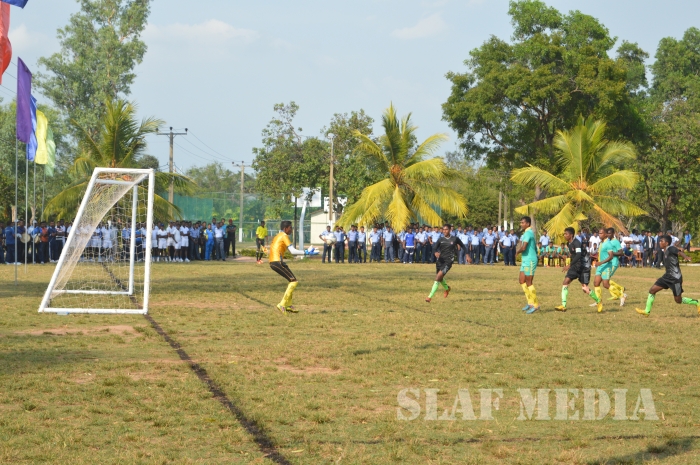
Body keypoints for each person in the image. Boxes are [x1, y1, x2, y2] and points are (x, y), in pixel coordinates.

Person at [636, 235, 699, 316]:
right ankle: (647, 311)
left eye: (661, 241)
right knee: (652, 290)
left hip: (675, 278)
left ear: (666, 243)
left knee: (678, 300)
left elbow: (679, 252)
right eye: (659, 241)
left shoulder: (670, 248)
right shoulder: (665, 251)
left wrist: (686, 257)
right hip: (667, 277)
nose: (659, 242)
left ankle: (697, 302)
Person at [555, 227, 601, 312]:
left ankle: (599, 301)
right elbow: (574, 254)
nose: (565, 235)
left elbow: (579, 254)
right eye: (564, 234)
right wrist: (568, 257)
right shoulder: (568, 243)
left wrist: (569, 265)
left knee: (585, 288)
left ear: (571, 235)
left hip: (584, 266)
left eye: (566, 234)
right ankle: (563, 306)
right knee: (565, 282)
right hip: (575, 266)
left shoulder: (576, 242)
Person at [269, 220, 306, 314]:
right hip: (277, 262)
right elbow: (293, 251)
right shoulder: (284, 236)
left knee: (292, 280)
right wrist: (306, 252)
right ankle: (282, 304)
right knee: (294, 281)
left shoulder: (278, 235)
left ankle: (289, 305)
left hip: (274, 262)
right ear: (285, 228)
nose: (292, 229)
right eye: (290, 228)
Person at [425, 224, 467, 302]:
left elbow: (463, 246)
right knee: (440, 278)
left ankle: (429, 297)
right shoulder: (440, 239)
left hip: (448, 261)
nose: (444, 231)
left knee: (438, 277)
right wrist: (435, 252)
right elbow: (434, 248)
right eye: (443, 229)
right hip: (440, 260)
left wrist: (467, 255)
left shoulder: (455, 239)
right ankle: (447, 288)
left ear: (450, 230)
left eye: (446, 229)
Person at [516, 216, 540, 314]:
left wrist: (517, 252)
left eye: (523, 223)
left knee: (529, 281)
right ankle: (530, 302)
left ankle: (536, 304)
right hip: (525, 260)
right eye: (521, 222)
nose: (521, 224)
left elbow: (524, 247)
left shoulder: (528, 233)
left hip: (530, 260)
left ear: (528, 224)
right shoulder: (527, 233)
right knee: (522, 280)